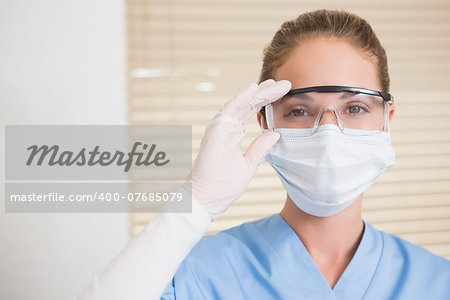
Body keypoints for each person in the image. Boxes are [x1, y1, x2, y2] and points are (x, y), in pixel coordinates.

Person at [77, 9, 450, 300]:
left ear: (386, 120)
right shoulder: (196, 274)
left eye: (354, 108)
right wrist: (196, 203)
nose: (328, 133)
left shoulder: (436, 281)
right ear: (266, 121)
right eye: (299, 111)